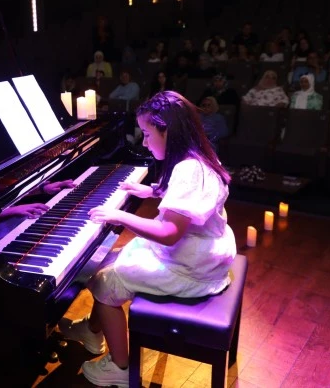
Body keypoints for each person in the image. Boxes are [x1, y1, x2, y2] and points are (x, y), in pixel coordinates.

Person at [59, 90, 236, 387]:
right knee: (108, 260)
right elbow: (188, 200)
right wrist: (154, 191)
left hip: (190, 269)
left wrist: (120, 216)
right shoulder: (200, 156)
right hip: (202, 253)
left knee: (103, 279)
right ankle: (92, 330)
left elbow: (169, 234)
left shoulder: (189, 170)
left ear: (169, 131)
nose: (144, 142)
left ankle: (120, 367)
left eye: (147, 134)